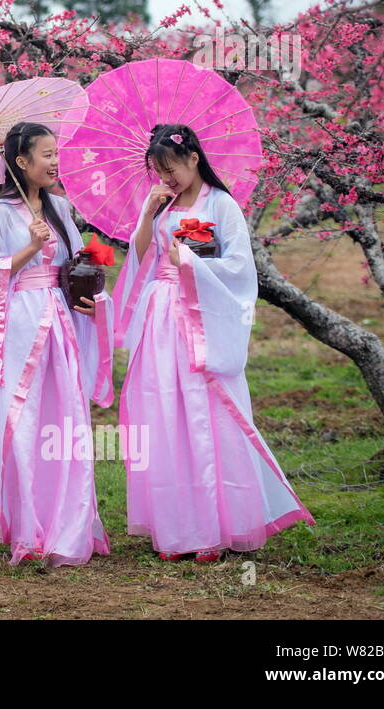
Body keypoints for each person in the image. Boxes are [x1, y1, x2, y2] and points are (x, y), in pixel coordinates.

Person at [113, 123, 315, 561]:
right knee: (164, 413)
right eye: (158, 171)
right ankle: (175, 527)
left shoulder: (221, 205)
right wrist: (148, 214)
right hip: (162, 318)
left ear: (193, 159)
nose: (165, 178)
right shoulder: (162, 204)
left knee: (205, 417)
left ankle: (212, 528)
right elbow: (143, 256)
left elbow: (241, 268)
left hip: (202, 322)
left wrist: (187, 259)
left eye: (171, 169)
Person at [0, 123, 115, 566]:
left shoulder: (59, 206)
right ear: (21, 162)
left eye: (57, 153)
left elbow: (73, 263)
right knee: (25, 421)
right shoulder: (0, 213)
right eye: (46, 154)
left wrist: (90, 286)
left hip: (59, 319)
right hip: (20, 323)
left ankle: (69, 529)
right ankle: (29, 528)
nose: (55, 162)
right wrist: (30, 249)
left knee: (65, 416)